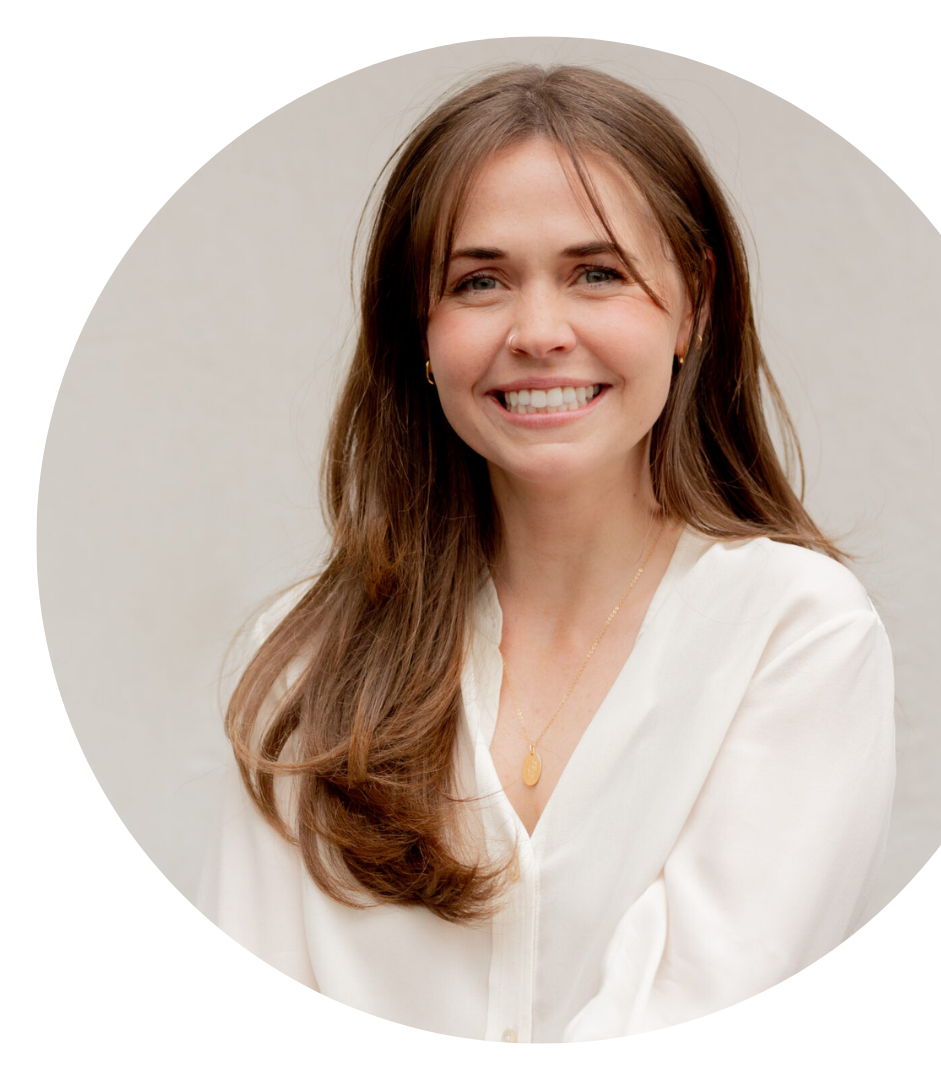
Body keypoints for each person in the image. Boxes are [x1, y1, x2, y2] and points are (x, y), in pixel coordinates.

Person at [198, 64, 895, 1042]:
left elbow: (697, 1019)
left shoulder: (796, 634)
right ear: (422, 332)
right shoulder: (303, 666)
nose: (536, 333)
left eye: (596, 273)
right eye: (480, 281)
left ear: (691, 303)